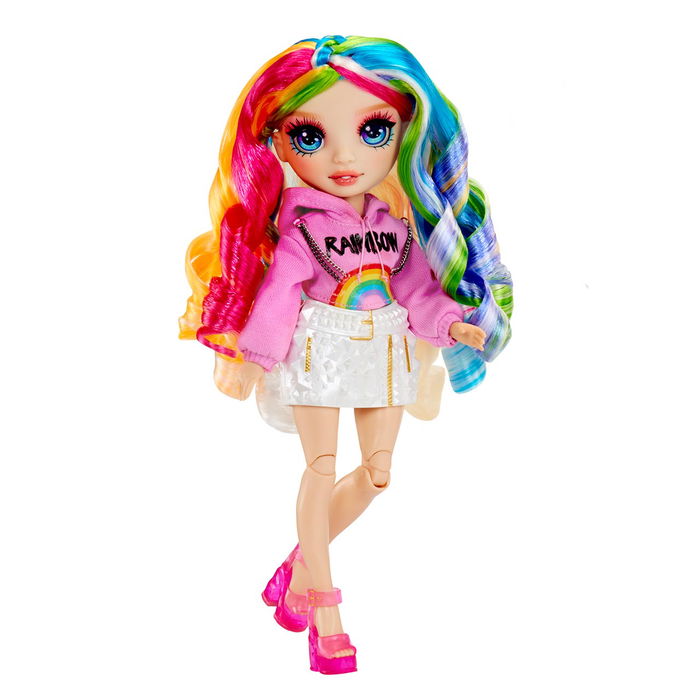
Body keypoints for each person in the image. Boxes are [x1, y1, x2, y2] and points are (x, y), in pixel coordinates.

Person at [179, 35, 512, 675]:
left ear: (403, 135)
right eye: (309, 136)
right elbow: (278, 295)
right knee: (321, 468)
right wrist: (251, 355)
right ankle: (325, 613)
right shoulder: (302, 228)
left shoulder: (394, 226)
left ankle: (299, 568)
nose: (343, 156)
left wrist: (453, 323)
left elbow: (416, 292)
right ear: (278, 144)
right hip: (320, 352)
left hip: (386, 351)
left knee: (379, 475)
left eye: (372, 130)